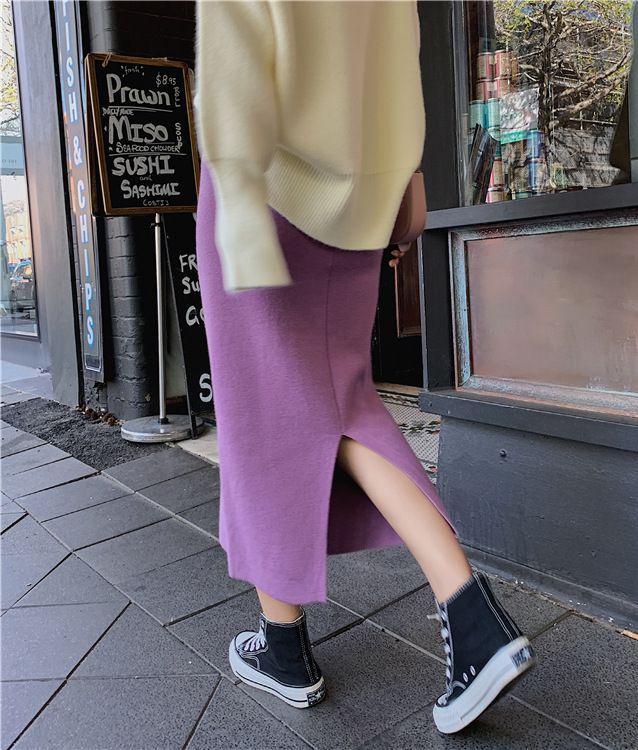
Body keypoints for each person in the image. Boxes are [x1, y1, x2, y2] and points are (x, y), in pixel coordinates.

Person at [194, 0, 535, 734]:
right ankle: (470, 617)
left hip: (267, 188)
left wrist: (240, 213)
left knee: (261, 417)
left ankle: (287, 647)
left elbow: (235, 62)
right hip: (358, 198)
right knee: (339, 400)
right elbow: (394, 58)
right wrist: (404, 179)